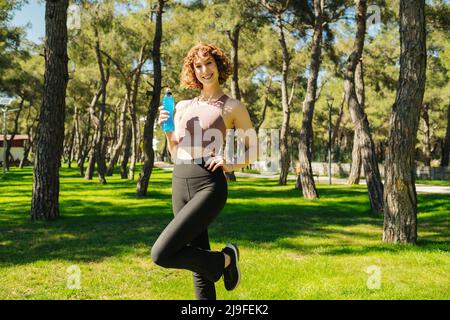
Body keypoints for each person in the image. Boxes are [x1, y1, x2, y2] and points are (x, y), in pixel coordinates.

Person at [151, 42, 257, 300]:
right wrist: (167, 132)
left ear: (218, 65)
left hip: (208, 183)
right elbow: (175, 152)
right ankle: (222, 265)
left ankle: (226, 260)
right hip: (180, 179)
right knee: (198, 263)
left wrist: (230, 164)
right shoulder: (183, 106)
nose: (204, 70)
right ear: (192, 71)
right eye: (198, 66)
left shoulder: (232, 107)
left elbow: (253, 149)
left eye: (208, 63)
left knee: (162, 253)